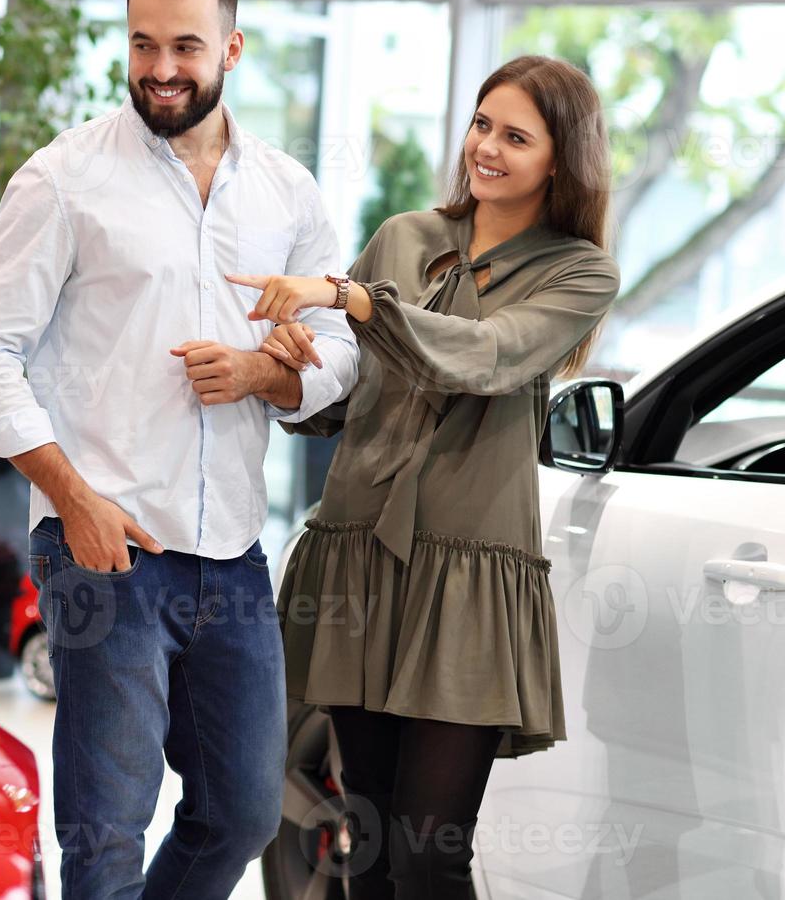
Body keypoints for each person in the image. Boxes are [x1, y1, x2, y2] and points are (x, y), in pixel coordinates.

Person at [0, 0, 360, 900]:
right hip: (108, 542)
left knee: (246, 811)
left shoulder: (287, 193)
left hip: (231, 550)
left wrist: (268, 371)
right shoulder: (62, 180)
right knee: (106, 834)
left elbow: (341, 351)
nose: (161, 69)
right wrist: (72, 500)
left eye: (184, 45)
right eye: (142, 44)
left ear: (233, 48)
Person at [227, 54, 621, 898]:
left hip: (466, 576)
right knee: (363, 838)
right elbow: (347, 392)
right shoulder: (405, 237)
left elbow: (484, 357)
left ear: (562, 159)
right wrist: (295, 363)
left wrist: (354, 302)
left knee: (431, 851)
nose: (488, 148)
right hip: (359, 557)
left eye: (517, 137)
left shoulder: (579, 272)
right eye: (483, 125)